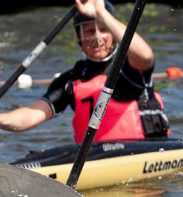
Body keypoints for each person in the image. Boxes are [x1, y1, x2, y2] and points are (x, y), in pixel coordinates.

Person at [0, 0, 169, 143]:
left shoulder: (129, 68)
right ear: (78, 37)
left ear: (113, 33)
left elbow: (145, 56)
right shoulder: (71, 80)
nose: (97, 37)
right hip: (95, 160)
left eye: (103, 30)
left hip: (145, 150)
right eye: (88, 31)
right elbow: (29, 117)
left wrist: (101, 13)